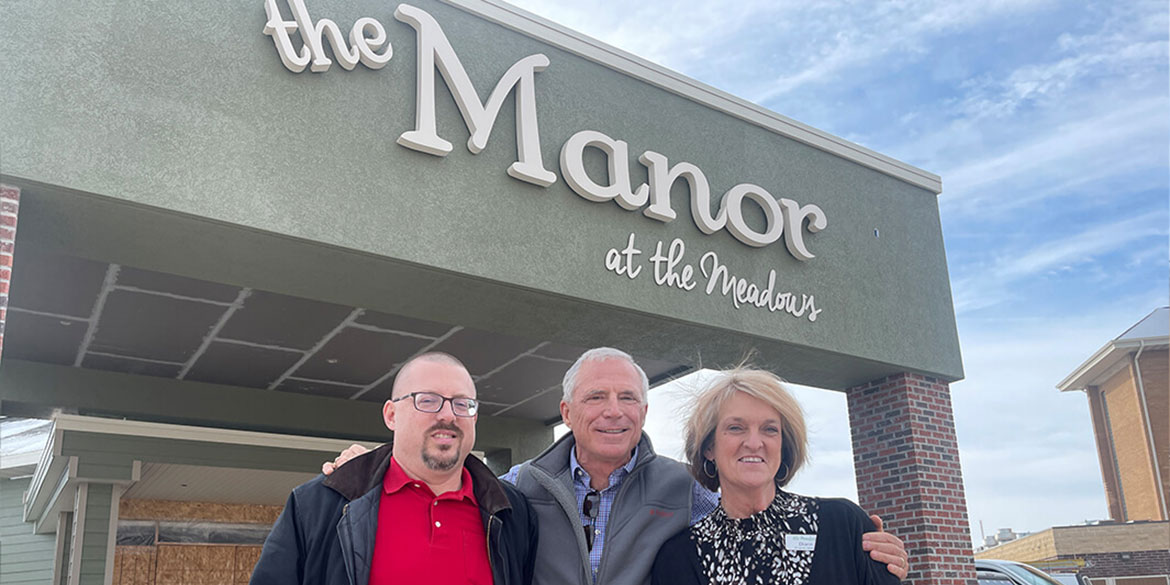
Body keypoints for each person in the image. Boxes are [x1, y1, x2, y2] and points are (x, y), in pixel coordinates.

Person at [325, 348, 909, 585]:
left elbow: (751, 499)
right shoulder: (516, 490)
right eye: (596, 398)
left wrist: (869, 544)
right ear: (566, 411)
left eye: (627, 398)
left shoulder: (684, 491)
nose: (613, 412)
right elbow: (444, 486)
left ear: (644, 410)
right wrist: (370, 468)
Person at [251, 352, 537, 585]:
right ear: (391, 415)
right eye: (428, 400)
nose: (448, 415)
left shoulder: (512, 514)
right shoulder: (320, 506)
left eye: (462, 404)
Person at [651, 367, 904, 585]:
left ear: (784, 446)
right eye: (736, 428)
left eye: (769, 429)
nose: (753, 442)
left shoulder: (844, 526)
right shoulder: (678, 558)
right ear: (708, 448)